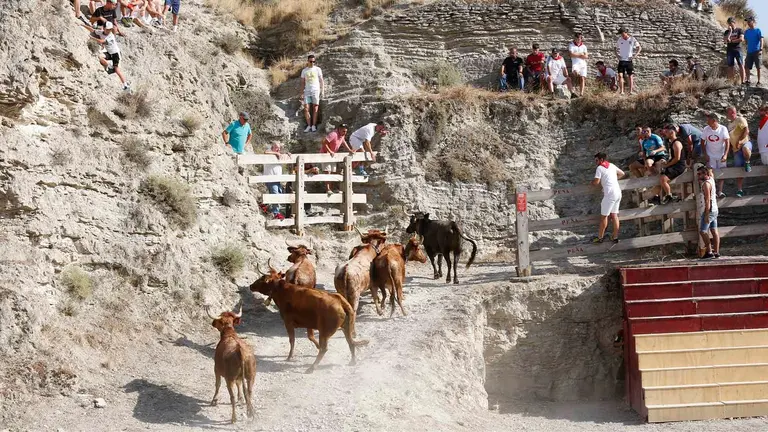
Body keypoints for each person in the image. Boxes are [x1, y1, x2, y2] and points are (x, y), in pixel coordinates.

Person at [591, 152, 625, 243]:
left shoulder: (600, 168)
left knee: (604, 217)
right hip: (618, 192)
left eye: (596, 160)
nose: (596, 162)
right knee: (614, 215)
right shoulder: (612, 165)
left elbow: (596, 182)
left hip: (609, 194)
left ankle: (600, 238)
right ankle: (615, 237)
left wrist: (591, 183)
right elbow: (622, 173)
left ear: (601, 160)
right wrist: (612, 179)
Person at [90, 22, 130, 91]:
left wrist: (92, 38)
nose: (109, 31)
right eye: (107, 29)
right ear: (104, 28)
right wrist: (82, 25)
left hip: (115, 54)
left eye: (110, 29)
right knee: (99, 56)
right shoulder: (101, 32)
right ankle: (108, 66)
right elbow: (92, 30)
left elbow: (101, 41)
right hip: (109, 52)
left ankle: (125, 85)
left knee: (117, 70)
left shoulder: (111, 36)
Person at [701, 112, 729, 198]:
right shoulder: (706, 129)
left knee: (722, 172)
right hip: (710, 154)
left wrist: (725, 155)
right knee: (710, 173)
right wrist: (705, 154)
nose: (707, 122)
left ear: (714, 120)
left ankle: (720, 191)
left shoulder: (723, 129)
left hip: (720, 154)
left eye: (708, 120)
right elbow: (702, 142)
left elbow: (727, 142)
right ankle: (713, 191)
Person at [726, 106, 752, 198]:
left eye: (731, 113)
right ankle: (740, 190)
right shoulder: (729, 125)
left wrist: (740, 142)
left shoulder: (740, 119)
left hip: (744, 143)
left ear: (734, 112)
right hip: (735, 150)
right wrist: (728, 150)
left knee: (746, 149)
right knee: (738, 169)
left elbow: (746, 130)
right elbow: (729, 138)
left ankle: (747, 162)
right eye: (729, 113)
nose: (730, 115)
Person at [263, 141, 291, 220]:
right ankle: (275, 213)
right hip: (270, 178)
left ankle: (269, 208)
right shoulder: (269, 153)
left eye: (279, 148)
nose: (278, 149)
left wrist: (287, 154)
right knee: (275, 194)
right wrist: (276, 153)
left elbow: (285, 156)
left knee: (279, 193)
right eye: (276, 147)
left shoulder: (279, 155)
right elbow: (265, 152)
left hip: (277, 179)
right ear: (272, 147)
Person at [319, 124, 350, 194]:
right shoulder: (333, 134)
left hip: (332, 156)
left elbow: (343, 142)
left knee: (333, 171)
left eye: (346, 131)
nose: (345, 133)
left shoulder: (342, 135)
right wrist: (330, 151)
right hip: (326, 154)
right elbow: (324, 142)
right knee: (328, 171)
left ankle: (331, 188)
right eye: (343, 131)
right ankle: (327, 189)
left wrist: (349, 150)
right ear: (339, 129)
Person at [697, 166, 720, 259]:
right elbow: (711, 172)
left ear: (705, 174)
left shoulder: (706, 184)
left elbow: (707, 200)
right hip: (715, 209)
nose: (698, 176)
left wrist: (706, 214)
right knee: (714, 230)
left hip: (709, 210)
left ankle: (709, 251)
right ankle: (717, 252)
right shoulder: (711, 179)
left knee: (703, 231)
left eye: (699, 174)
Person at [659, 128, 686, 204]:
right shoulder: (672, 143)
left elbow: (677, 158)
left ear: (672, 132)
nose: (665, 134)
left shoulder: (676, 143)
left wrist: (667, 165)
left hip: (679, 166)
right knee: (661, 176)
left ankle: (669, 195)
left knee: (663, 179)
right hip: (675, 164)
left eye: (667, 132)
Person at [300, 54, 324, 133]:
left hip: (316, 91)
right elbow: (303, 82)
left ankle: (313, 125)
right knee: (306, 109)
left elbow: (321, 80)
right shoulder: (304, 70)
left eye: (314, 61)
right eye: (311, 61)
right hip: (307, 91)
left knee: (315, 108)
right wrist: (301, 93)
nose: (313, 63)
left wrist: (322, 90)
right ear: (308, 61)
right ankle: (309, 125)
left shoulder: (318, 69)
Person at [616, 27, 641, 95]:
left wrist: (635, 56)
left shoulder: (632, 39)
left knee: (630, 76)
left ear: (626, 32)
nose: (622, 35)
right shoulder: (619, 40)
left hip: (629, 60)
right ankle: (622, 91)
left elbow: (639, 48)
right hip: (621, 60)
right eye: (621, 34)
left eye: (622, 34)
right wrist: (617, 55)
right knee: (620, 75)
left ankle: (631, 91)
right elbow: (615, 48)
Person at [724, 17, 746, 84]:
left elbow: (741, 39)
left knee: (741, 65)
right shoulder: (727, 32)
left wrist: (732, 41)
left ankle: (743, 81)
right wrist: (730, 32)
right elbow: (725, 41)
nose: (730, 25)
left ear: (734, 22)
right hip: (730, 50)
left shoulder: (739, 30)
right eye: (729, 23)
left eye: (731, 23)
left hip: (738, 49)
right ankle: (731, 82)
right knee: (730, 66)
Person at [744, 16, 763, 86]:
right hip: (749, 51)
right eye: (747, 22)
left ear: (753, 21)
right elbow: (746, 40)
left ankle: (759, 81)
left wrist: (761, 49)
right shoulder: (746, 32)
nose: (748, 23)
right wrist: (747, 46)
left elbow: (761, 40)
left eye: (749, 21)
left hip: (757, 51)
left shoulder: (758, 30)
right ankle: (748, 80)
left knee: (758, 67)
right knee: (746, 66)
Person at [759, 105, 768, 170]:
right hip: (763, 151)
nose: (760, 112)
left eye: (762, 110)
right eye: (760, 110)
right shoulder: (761, 122)